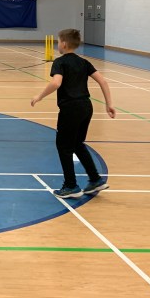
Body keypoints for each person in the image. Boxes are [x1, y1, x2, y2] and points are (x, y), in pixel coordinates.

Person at [31, 28, 116, 198]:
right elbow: (103, 81)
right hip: (86, 107)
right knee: (77, 143)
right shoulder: (84, 62)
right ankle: (95, 179)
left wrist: (39, 96)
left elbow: (56, 83)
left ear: (63, 43)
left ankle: (70, 185)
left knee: (64, 146)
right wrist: (109, 104)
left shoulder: (60, 62)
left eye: (58, 41)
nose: (57, 45)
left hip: (71, 109)